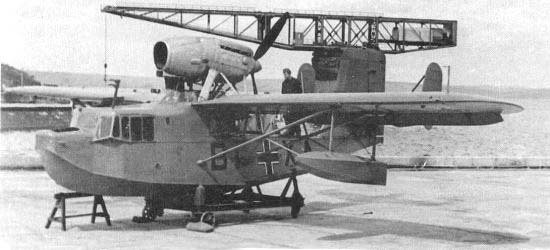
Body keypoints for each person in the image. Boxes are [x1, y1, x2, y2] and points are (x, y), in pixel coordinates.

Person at [281, 68, 302, 136]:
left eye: (285, 74)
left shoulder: (296, 82)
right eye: (284, 74)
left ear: (289, 73)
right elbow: (283, 93)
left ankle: (297, 131)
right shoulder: (284, 83)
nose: (284, 75)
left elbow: (300, 92)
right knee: (286, 116)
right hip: (288, 103)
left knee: (295, 116)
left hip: (295, 103)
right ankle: (290, 130)